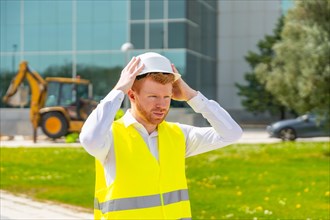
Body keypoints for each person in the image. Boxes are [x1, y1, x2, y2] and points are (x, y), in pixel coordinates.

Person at [80, 52, 243, 219]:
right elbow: (89, 138)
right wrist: (119, 89)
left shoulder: (179, 135)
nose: (162, 105)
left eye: (167, 97)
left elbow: (232, 133)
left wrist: (191, 96)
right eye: (153, 97)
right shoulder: (110, 138)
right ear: (131, 95)